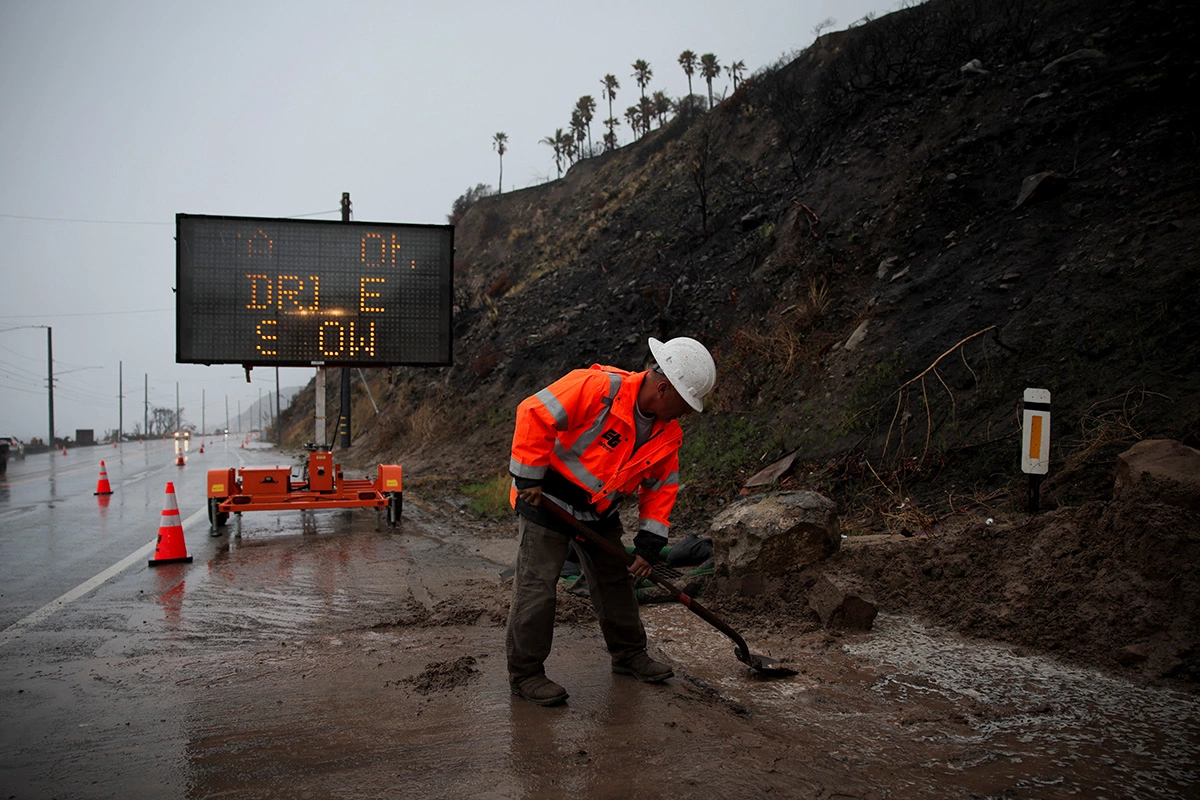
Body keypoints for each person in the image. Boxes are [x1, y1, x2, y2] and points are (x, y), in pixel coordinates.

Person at [506, 336, 717, 706]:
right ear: (663, 388)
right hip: (547, 499)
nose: (686, 414)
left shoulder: (667, 434)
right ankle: (526, 675)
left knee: (615, 583)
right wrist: (528, 478)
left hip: (598, 511)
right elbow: (534, 412)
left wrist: (650, 546)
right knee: (537, 587)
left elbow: (661, 489)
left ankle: (630, 655)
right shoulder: (599, 387)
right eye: (685, 404)